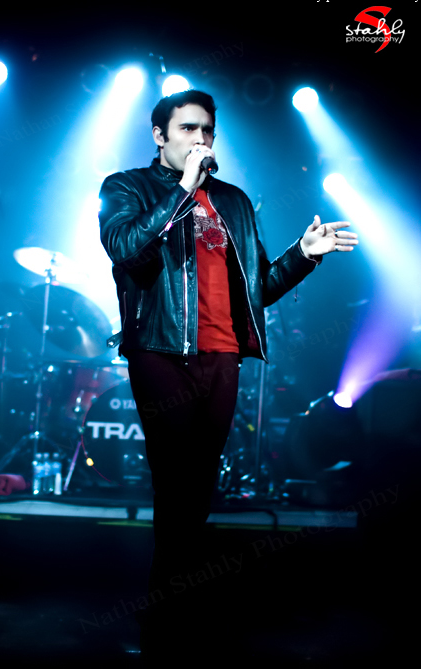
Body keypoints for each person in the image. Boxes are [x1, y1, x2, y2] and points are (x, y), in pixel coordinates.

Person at [98, 89, 358, 662]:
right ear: (159, 136)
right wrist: (183, 191)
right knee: (176, 482)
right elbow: (126, 250)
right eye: (187, 129)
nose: (200, 139)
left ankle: (172, 609)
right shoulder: (126, 188)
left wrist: (304, 253)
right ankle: (166, 619)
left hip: (223, 355)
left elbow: (257, 289)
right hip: (161, 349)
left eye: (207, 130)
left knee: (197, 490)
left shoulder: (234, 201)